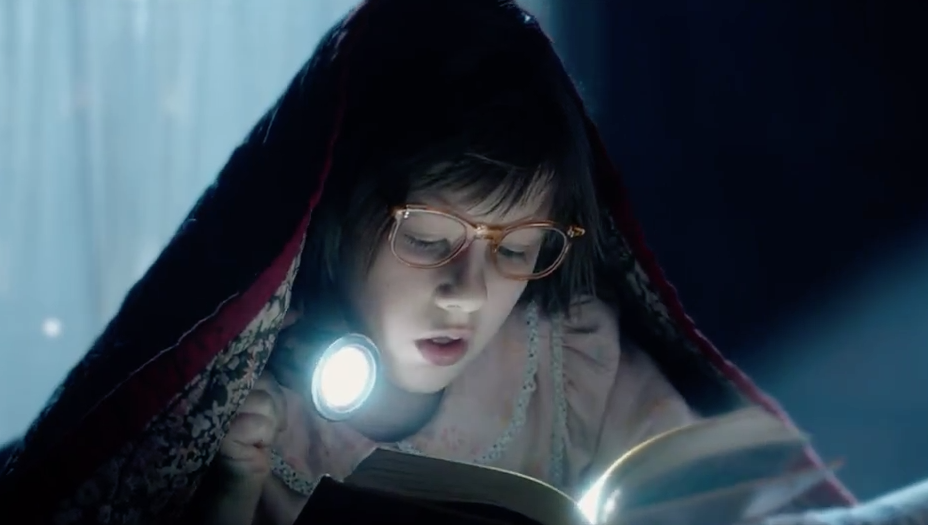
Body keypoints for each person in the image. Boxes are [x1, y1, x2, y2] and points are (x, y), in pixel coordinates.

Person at [8, 0, 920, 523]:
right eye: (429, 240)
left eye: (518, 249)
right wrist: (234, 484)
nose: (468, 292)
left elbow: (712, 494)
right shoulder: (268, 415)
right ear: (333, 218)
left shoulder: (567, 359)